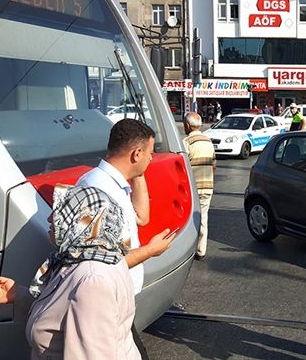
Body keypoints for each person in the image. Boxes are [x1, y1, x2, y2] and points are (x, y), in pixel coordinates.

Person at [0, 185, 142, 359]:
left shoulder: (92, 280)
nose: (50, 218)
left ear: (84, 221)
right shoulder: (97, 255)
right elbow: (62, 312)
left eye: (60, 212)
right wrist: (20, 294)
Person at [76, 119, 175, 358]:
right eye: (149, 154)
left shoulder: (115, 184)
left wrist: (136, 172)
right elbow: (94, 266)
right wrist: (152, 251)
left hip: (118, 298)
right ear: (136, 153)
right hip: (103, 301)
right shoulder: (96, 190)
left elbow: (142, 216)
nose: (152, 159)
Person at [183, 112, 216, 261]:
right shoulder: (208, 141)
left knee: (187, 219)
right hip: (207, 186)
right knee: (203, 218)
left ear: (187, 125)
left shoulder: (186, 142)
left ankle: (185, 249)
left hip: (191, 188)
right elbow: (214, 166)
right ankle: (201, 251)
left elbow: (183, 167)